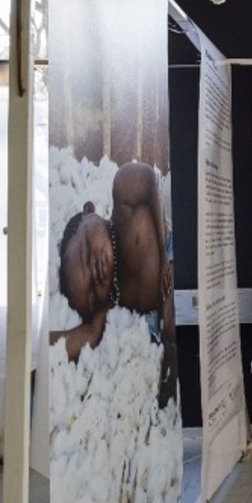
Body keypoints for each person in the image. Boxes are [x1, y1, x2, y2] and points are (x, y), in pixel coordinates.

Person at [50, 160, 177, 402]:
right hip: (155, 320)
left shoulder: (123, 197)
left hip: (171, 250)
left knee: (172, 321)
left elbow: (148, 178)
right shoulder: (111, 300)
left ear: (89, 211)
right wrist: (19, 346)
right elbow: (75, 341)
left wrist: (165, 259)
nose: (95, 271)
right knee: (168, 333)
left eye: (87, 250)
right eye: (90, 292)